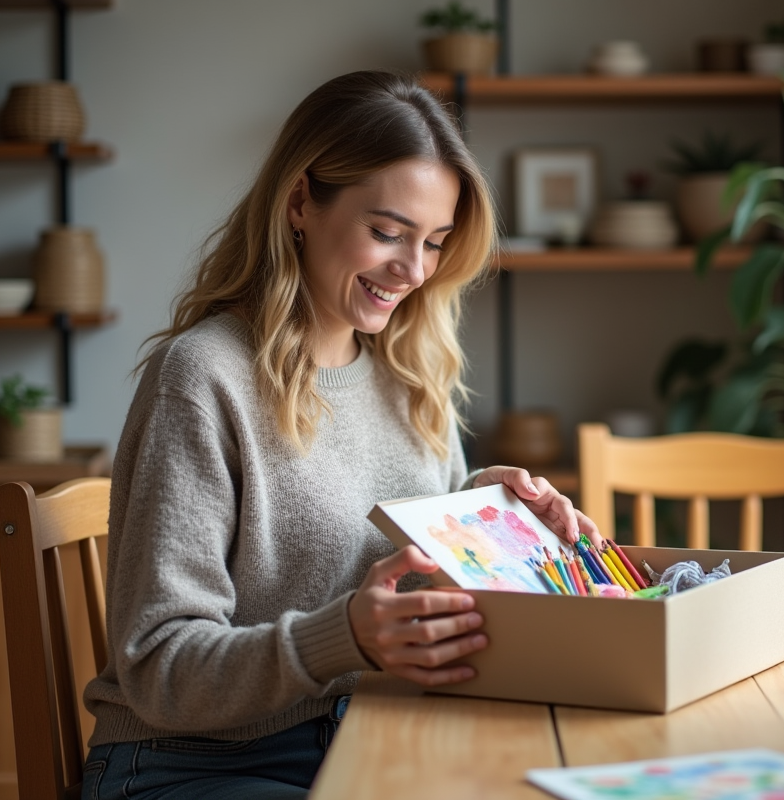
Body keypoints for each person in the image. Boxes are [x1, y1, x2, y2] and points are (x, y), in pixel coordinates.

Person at [81, 71, 600, 800]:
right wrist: (342, 639)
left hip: (369, 731)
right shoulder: (202, 377)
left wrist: (491, 516)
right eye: (386, 232)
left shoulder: (410, 372)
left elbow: (412, 573)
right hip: (195, 763)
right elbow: (158, 667)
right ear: (300, 202)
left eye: (435, 242)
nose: (413, 270)